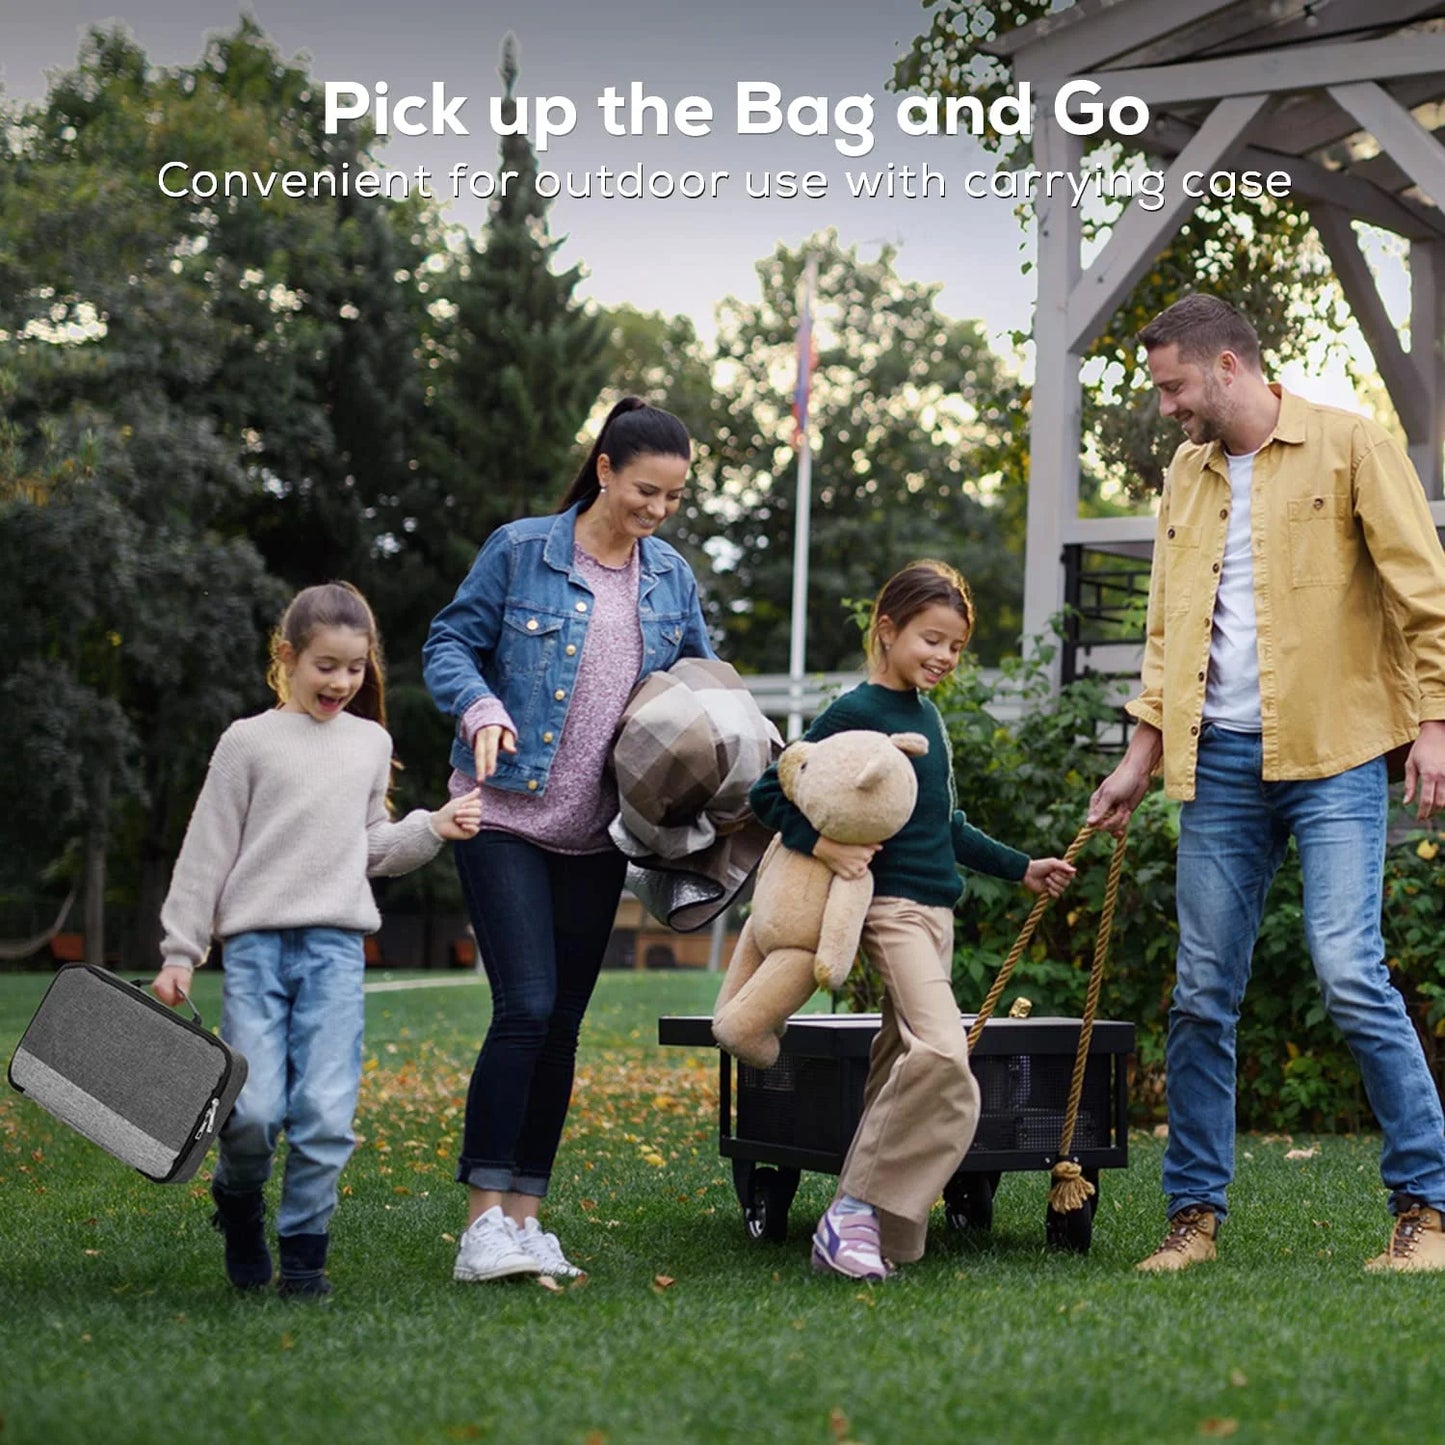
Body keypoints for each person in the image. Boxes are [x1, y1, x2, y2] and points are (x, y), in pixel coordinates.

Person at [1088, 294, 1445, 1273]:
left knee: (1346, 968)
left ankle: (1426, 1208)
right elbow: (1167, 631)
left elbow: (1424, 595)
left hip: (1333, 754)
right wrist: (1136, 758)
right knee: (1200, 992)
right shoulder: (1184, 474)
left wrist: (1432, 724)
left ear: (1225, 368)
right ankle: (1191, 1217)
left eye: (1171, 386)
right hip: (1218, 765)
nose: (1164, 406)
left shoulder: (1349, 445)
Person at [423, 396, 715, 1283]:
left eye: (673, 497)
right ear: (603, 470)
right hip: (502, 814)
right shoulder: (520, 551)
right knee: (526, 1007)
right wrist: (479, 706)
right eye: (644, 491)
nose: (657, 511)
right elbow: (448, 643)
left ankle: (525, 1217)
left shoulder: (669, 578)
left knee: (562, 1028)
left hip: (597, 835)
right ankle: (480, 1225)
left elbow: (702, 688)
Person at [151, 582, 482, 1296]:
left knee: (327, 1117)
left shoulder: (369, 742)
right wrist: (181, 951)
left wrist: (431, 826)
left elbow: (366, 846)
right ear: (287, 656)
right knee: (256, 1111)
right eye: (326, 665)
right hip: (255, 953)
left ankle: (304, 1256)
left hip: (335, 950)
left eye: (355, 668)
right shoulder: (248, 741)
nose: (341, 681)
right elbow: (206, 848)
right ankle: (237, 1202)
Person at [749, 560, 1077, 1279]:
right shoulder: (853, 711)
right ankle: (855, 1212)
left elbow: (944, 823)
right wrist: (827, 845)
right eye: (931, 638)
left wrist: (1021, 867)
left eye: (955, 646)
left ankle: (876, 1233)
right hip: (890, 911)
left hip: (935, 915)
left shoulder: (928, 717)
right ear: (887, 628)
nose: (943, 656)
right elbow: (768, 793)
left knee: (899, 1062)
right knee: (941, 1054)